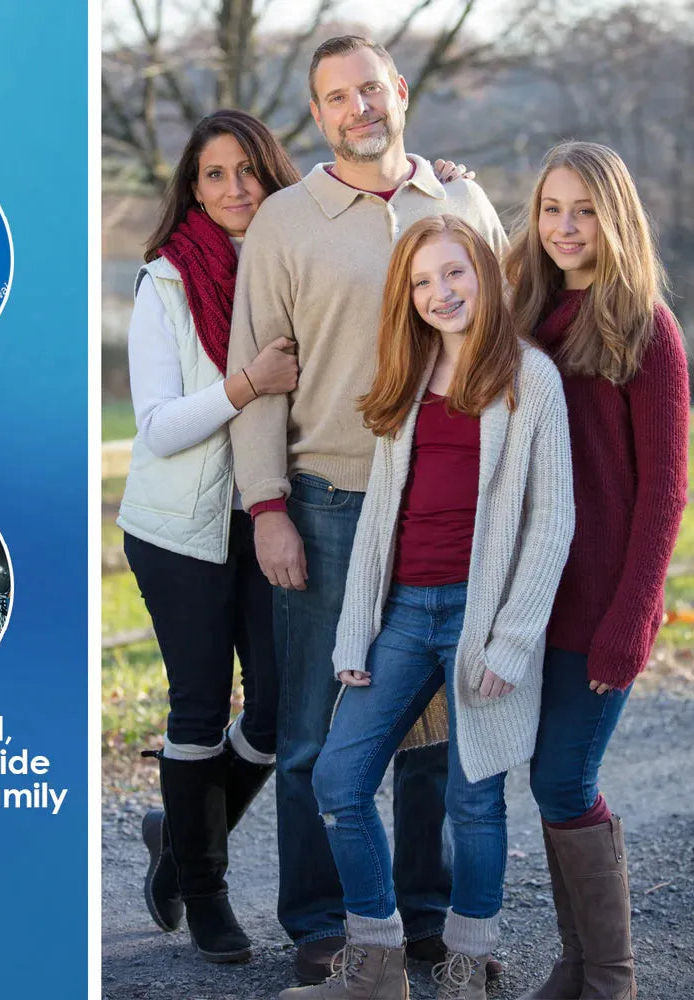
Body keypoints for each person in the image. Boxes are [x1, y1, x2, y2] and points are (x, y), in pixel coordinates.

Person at [226, 35, 509, 984]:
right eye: (336, 97)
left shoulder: (461, 201)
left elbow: (503, 336)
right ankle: (322, 920)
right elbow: (259, 377)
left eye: (370, 89)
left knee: (432, 731)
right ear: (319, 116)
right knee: (316, 730)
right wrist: (267, 505)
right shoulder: (284, 221)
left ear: (398, 93)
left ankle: (420, 912)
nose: (358, 109)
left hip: (448, 507)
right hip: (331, 503)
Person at [277, 215, 573, 1000]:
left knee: (473, 796)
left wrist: (511, 642)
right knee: (338, 778)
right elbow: (381, 517)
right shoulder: (408, 375)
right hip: (407, 610)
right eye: (421, 281)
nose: (440, 292)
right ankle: (375, 962)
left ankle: (469, 964)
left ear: (484, 275)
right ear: (406, 298)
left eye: (455, 273)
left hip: (484, 615)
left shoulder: (529, 378)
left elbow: (553, 519)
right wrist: (357, 630)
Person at [116, 108, 301, 964]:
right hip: (178, 529)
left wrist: (442, 188)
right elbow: (154, 426)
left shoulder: (295, 261)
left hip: (271, 517)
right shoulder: (164, 283)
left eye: (247, 171)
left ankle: (181, 835)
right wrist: (246, 384)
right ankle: (205, 892)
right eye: (213, 175)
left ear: (270, 173)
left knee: (275, 706)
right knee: (199, 705)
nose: (233, 189)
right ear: (193, 188)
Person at [504, 142, 689, 1000]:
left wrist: (635, 613)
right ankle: (577, 965)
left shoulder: (647, 329)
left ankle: (611, 975)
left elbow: (665, 494)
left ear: (616, 217)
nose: (565, 227)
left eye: (583, 210)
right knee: (547, 777)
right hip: (533, 595)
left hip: (603, 600)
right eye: (551, 209)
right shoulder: (527, 311)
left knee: (562, 778)